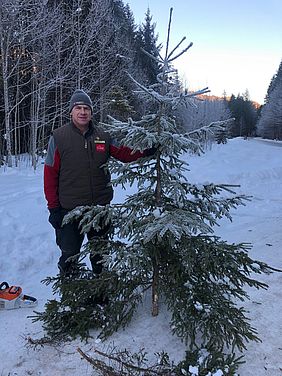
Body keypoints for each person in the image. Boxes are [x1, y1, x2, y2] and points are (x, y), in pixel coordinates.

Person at [44, 89, 154, 276]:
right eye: (78, 108)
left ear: (91, 112)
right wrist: (54, 209)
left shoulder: (103, 135)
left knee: (100, 253)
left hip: (99, 208)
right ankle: (71, 294)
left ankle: (101, 295)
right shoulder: (59, 137)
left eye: (86, 108)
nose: (82, 112)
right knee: (70, 254)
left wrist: (146, 150)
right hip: (69, 210)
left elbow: (124, 153)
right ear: (71, 111)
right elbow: (49, 174)